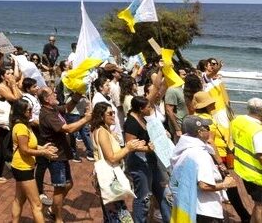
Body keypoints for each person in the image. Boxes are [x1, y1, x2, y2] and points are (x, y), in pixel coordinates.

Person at [193, 91, 251, 222]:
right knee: (230, 185)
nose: (213, 105)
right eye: (211, 103)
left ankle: (244, 215)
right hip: (215, 156)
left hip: (205, 156)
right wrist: (220, 163)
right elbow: (210, 142)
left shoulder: (194, 117)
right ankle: (245, 216)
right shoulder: (208, 121)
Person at [37, 88, 92, 222]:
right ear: (46, 99)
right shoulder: (47, 114)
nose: (55, 94)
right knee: (60, 187)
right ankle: (58, 218)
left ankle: (53, 209)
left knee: (68, 185)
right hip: (56, 156)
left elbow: (67, 108)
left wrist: (78, 93)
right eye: (52, 93)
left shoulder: (53, 108)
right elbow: (69, 128)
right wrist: (86, 119)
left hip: (62, 154)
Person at [170, 115, 237, 223]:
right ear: (200, 132)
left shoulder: (183, 149)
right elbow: (204, 185)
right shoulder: (200, 154)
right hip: (205, 210)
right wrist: (225, 184)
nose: (209, 132)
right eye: (207, 128)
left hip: (188, 204)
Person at [91, 102, 146, 223]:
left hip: (108, 179)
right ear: (101, 116)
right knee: (121, 217)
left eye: (114, 113)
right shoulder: (102, 132)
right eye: (110, 113)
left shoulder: (105, 131)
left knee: (110, 216)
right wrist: (128, 148)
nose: (113, 116)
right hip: (109, 179)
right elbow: (111, 158)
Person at [123, 95, 171, 223]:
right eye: (148, 107)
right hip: (139, 164)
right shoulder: (131, 123)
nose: (150, 109)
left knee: (164, 193)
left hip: (152, 161)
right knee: (143, 197)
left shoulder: (143, 118)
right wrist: (148, 148)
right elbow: (130, 146)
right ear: (140, 108)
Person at [11, 98, 57, 223]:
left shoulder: (25, 125)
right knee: (37, 205)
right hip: (22, 168)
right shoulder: (20, 127)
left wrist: (43, 147)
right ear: (21, 112)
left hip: (24, 166)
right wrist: (43, 153)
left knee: (19, 199)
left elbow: (30, 145)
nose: (31, 113)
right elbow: (25, 150)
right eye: (28, 110)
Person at [0, 67, 21, 182]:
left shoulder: (9, 85)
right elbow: (15, 98)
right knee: (2, 146)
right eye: (8, 73)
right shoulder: (3, 88)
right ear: (3, 76)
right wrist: (14, 85)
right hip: (4, 122)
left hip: (10, 120)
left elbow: (20, 95)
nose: (11, 75)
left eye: (11, 73)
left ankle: (7, 163)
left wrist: (16, 62)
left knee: (6, 144)